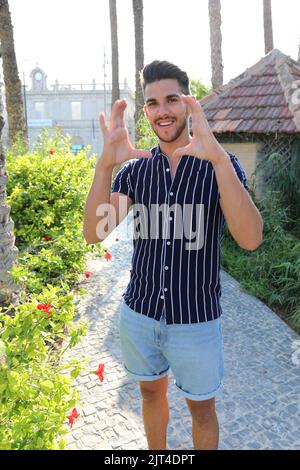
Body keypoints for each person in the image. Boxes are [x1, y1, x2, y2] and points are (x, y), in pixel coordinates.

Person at [83, 60, 263, 450]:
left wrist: (217, 159)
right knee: (150, 394)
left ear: (187, 103)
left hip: (195, 320)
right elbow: (94, 234)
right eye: (152, 103)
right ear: (145, 111)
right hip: (140, 314)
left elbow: (250, 239)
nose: (161, 110)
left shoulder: (220, 165)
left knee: (201, 411)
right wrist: (105, 164)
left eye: (171, 99)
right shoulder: (135, 171)